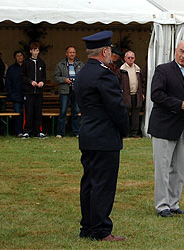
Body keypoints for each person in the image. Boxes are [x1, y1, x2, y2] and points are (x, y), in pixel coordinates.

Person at [74, 31, 129, 241]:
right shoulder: (104, 74)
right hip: (105, 137)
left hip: (88, 134)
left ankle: (87, 227)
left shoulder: (82, 73)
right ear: (105, 51)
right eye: (110, 51)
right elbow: (116, 108)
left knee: (89, 183)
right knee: (103, 185)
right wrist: (125, 130)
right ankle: (100, 229)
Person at [148, 39, 184, 217]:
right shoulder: (163, 70)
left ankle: (174, 203)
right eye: (181, 51)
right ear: (175, 51)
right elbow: (156, 95)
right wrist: (180, 104)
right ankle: (162, 205)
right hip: (164, 126)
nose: (183, 55)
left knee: (179, 169)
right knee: (163, 169)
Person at [54, 46, 84, 138]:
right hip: (65, 90)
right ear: (66, 53)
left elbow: (84, 76)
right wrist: (64, 79)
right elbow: (56, 77)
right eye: (70, 52)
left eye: (73, 52)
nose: (72, 54)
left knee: (76, 112)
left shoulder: (80, 64)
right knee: (63, 112)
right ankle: (60, 133)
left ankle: (76, 132)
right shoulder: (60, 64)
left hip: (76, 90)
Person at [20, 42, 46, 139]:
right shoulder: (26, 62)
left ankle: (38, 131)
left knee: (38, 112)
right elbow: (22, 76)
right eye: (34, 50)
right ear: (30, 51)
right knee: (28, 112)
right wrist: (30, 82)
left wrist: (42, 82)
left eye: (37, 50)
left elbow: (44, 76)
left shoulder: (41, 63)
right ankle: (26, 131)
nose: (36, 52)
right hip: (29, 92)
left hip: (39, 92)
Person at [119, 50, 146, 137]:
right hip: (125, 96)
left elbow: (143, 82)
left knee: (135, 115)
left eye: (132, 58)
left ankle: (134, 133)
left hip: (136, 95)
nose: (130, 59)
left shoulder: (138, 69)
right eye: (129, 57)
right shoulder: (121, 70)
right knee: (125, 114)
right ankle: (125, 133)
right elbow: (117, 83)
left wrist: (142, 93)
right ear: (125, 59)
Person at [5, 50, 25, 137]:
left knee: (27, 114)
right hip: (15, 95)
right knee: (17, 113)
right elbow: (8, 83)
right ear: (15, 58)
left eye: (21, 55)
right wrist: (11, 94)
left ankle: (27, 131)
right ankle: (19, 131)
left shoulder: (27, 67)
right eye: (17, 56)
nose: (19, 57)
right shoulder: (11, 69)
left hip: (26, 94)